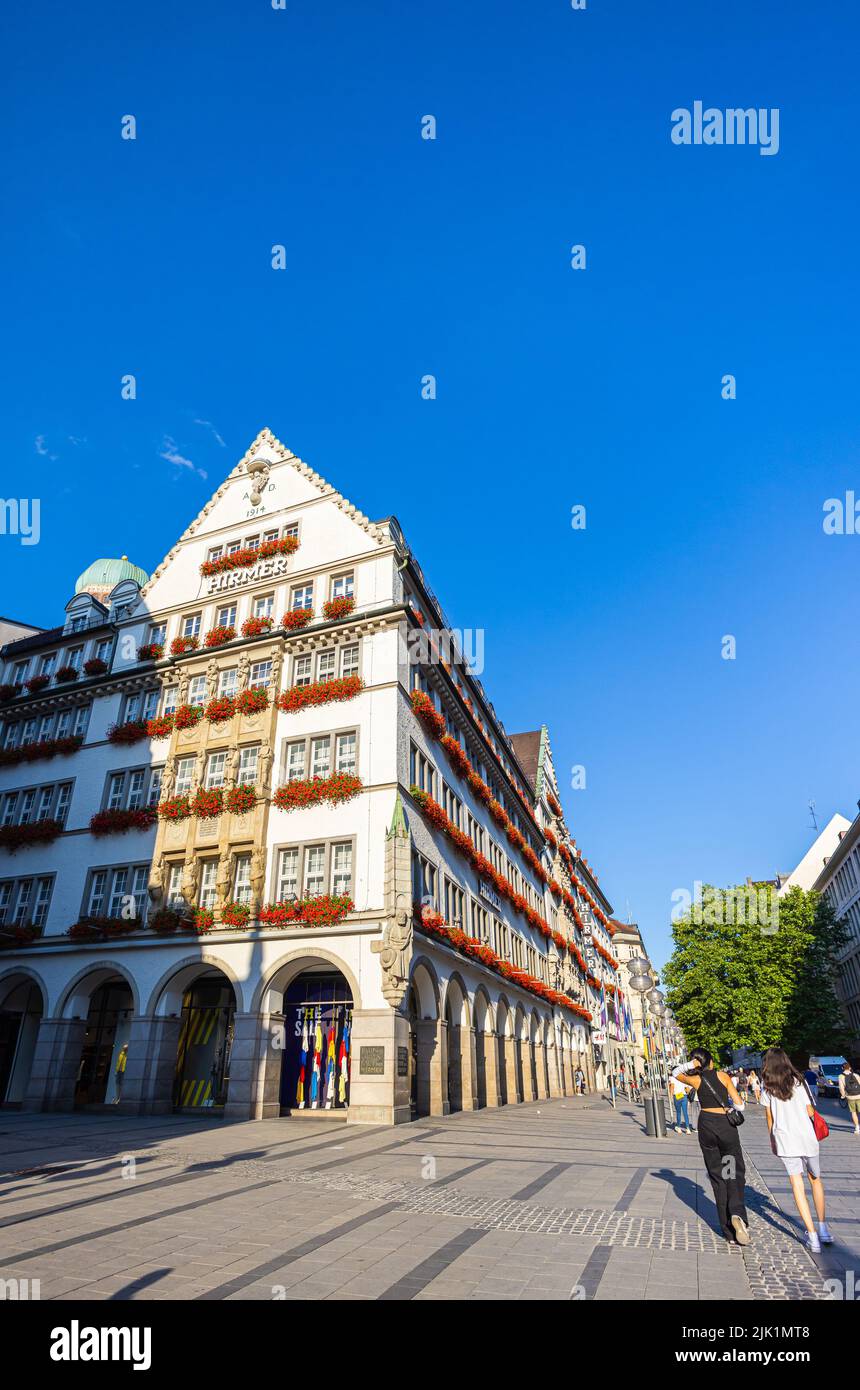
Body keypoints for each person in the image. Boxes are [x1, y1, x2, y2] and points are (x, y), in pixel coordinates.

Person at [675, 1049, 750, 1245]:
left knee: (717, 1176)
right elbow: (740, 1106)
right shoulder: (723, 1076)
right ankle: (736, 1213)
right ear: (711, 1061)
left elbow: (675, 1072)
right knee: (732, 1170)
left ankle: (727, 1231)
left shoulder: (696, 1080)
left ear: (696, 1063)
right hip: (725, 1126)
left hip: (706, 1124)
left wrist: (692, 1066)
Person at [761, 1047, 831, 1253]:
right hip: (807, 1138)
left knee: (796, 1185)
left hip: (785, 1139)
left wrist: (772, 1139)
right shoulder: (799, 1083)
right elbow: (810, 1111)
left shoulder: (768, 1088)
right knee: (816, 1180)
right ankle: (823, 1228)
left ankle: (812, 1237)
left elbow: (769, 1118)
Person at [838, 1060, 860, 1136]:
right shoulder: (856, 1075)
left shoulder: (841, 1076)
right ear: (850, 1068)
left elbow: (841, 1087)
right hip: (859, 1095)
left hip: (850, 1097)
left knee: (853, 1112)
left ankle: (857, 1128)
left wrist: (843, 1095)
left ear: (842, 1068)